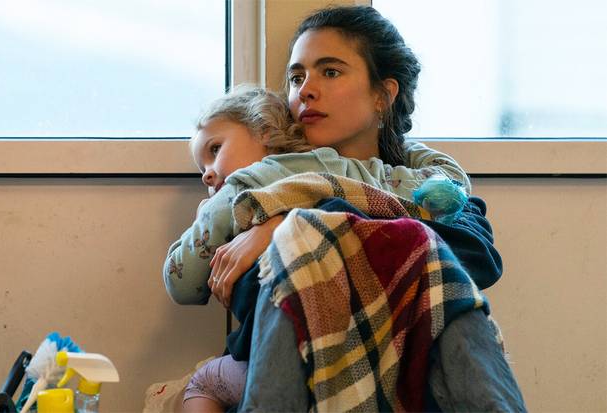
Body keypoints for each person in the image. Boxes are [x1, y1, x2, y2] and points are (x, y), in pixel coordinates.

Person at [228, 6, 525, 411]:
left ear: (383, 95)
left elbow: (478, 257)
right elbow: (245, 295)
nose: (305, 90)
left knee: (423, 246)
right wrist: (289, 229)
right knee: (409, 240)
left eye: (329, 72)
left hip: (417, 368)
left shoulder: (428, 186)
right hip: (307, 374)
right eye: (297, 77)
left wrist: (305, 224)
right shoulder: (271, 188)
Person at [168, 84, 473, 411]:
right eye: (202, 169)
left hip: (290, 359)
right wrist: (400, 144)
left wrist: (203, 218)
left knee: (204, 382)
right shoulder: (343, 168)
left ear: (265, 131)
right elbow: (450, 183)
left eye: (215, 150)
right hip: (377, 353)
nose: (208, 175)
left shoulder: (238, 190)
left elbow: (182, 282)